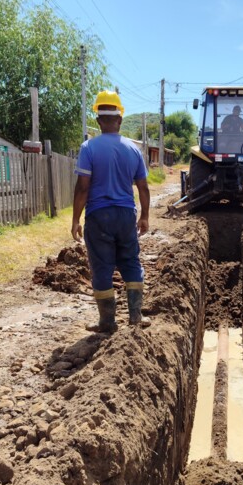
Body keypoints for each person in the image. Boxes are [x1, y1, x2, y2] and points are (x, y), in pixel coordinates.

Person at [71, 90, 151, 333]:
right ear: (120, 119)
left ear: (98, 120)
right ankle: (135, 317)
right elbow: (143, 187)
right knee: (130, 262)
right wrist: (145, 216)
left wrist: (75, 219)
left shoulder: (88, 148)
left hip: (98, 216)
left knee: (102, 266)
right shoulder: (134, 150)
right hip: (126, 215)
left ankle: (107, 322)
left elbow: (83, 187)